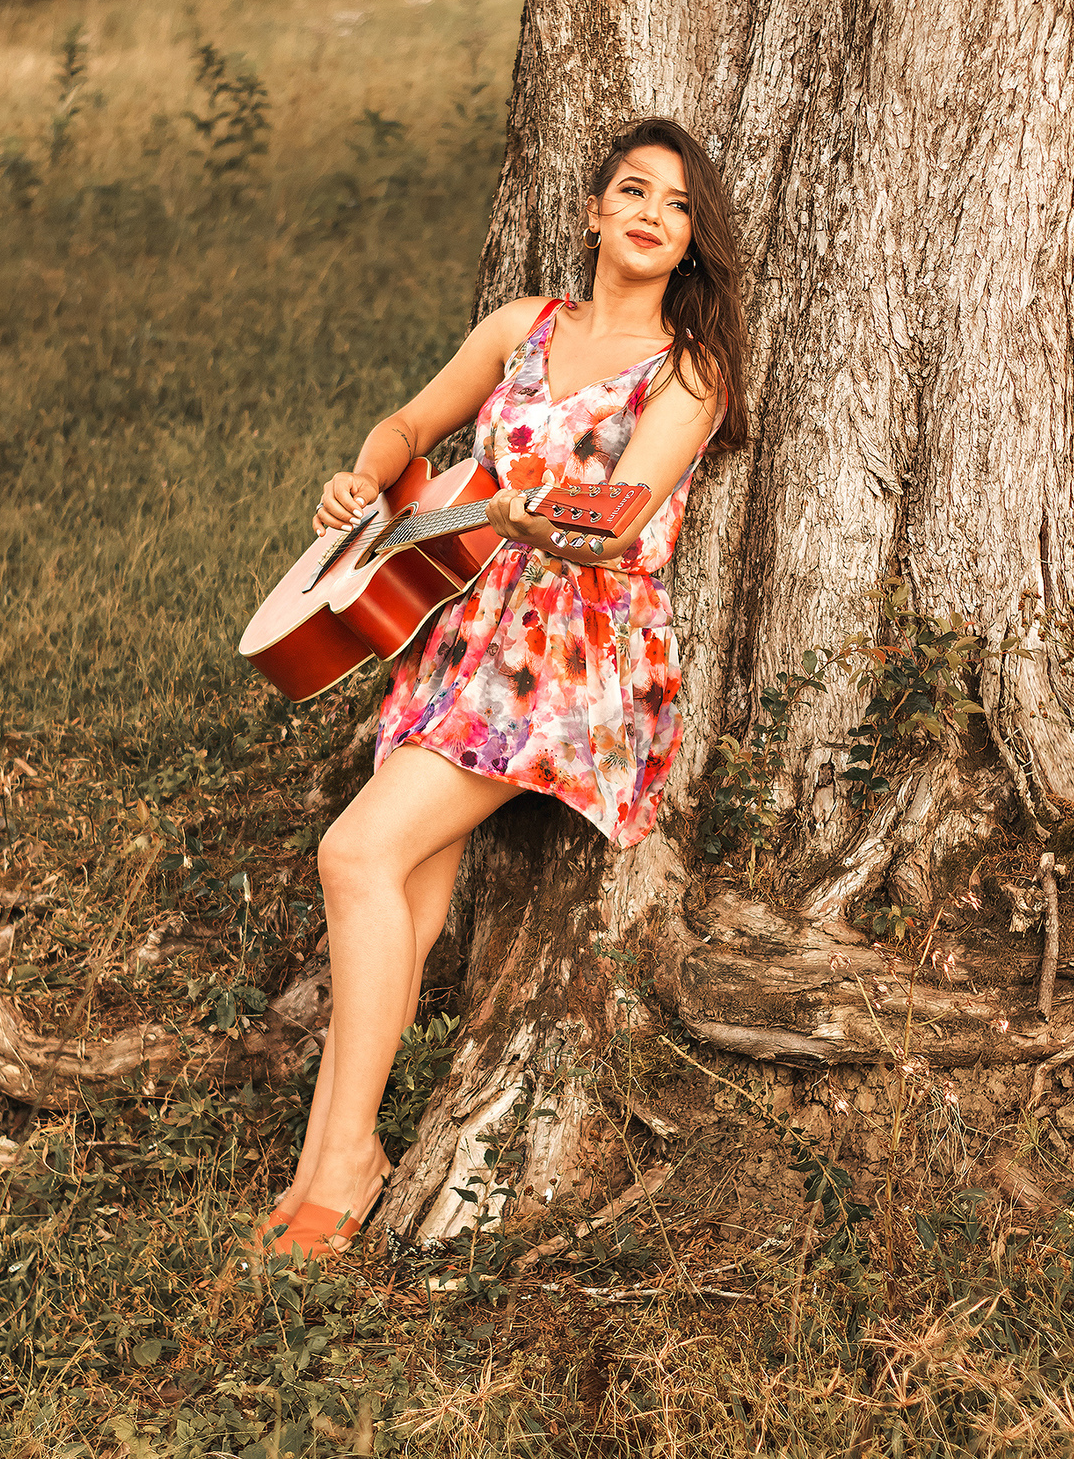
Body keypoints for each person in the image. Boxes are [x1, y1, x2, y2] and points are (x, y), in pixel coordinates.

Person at [262, 116, 748, 1260]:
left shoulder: (690, 373)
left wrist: (552, 530)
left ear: (691, 241)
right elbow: (408, 425)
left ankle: (346, 1163)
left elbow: (617, 523)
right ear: (591, 209)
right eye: (632, 190)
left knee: (354, 855)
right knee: (407, 901)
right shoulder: (522, 325)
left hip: (570, 657)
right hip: (461, 631)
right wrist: (363, 480)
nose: (649, 215)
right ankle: (326, 1162)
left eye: (676, 206)